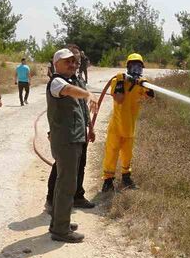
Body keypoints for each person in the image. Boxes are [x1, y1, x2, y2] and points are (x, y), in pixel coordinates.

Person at [46, 48, 97, 243]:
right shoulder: (57, 82)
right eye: (67, 61)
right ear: (56, 63)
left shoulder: (71, 81)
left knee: (65, 183)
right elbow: (67, 91)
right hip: (65, 141)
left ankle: (60, 222)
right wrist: (87, 95)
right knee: (66, 185)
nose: (72, 64)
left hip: (74, 139)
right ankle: (60, 230)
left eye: (74, 62)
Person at [101, 53, 154, 193]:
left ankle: (126, 178)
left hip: (130, 126)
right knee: (111, 153)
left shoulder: (141, 83)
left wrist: (144, 84)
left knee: (127, 154)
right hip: (117, 126)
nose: (136, 68)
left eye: (139, 66)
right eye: (133, 65)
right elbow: (118, 99)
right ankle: (108, 181)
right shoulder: (118, 80)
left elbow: (151, 97)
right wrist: (121, 82)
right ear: (128, 66)